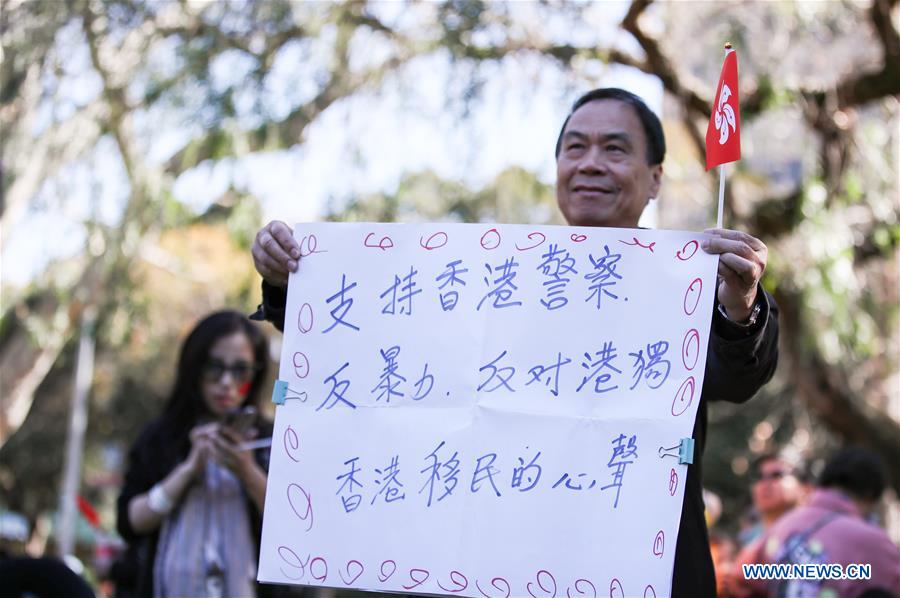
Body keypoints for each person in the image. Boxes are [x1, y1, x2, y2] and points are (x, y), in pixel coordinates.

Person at [249, 88, 780, 596]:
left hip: (635, 571)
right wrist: (289, 279)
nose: (591, 163)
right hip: (490, 573)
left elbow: (736, 377)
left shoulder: (696, 284)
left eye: (615, 149)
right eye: (575, 147)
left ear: (656, 178)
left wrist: (739, 306)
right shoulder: (490, 275)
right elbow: (365, 343)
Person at [116, 310, 274, 598]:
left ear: (256, 373)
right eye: (214, 368)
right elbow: (129, 522)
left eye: (240, 371)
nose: (226, 383)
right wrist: (188, 470)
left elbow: (295, 525)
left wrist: (247, 470)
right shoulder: (161, 437)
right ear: (194, 368)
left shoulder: (271, 439)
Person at [736, 447, 900, 597]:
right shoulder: (874, 543)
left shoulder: (782, 525)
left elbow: (738, 581)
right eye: (759, 477)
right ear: (871, 496)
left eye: (777, 475)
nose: (765, 484)